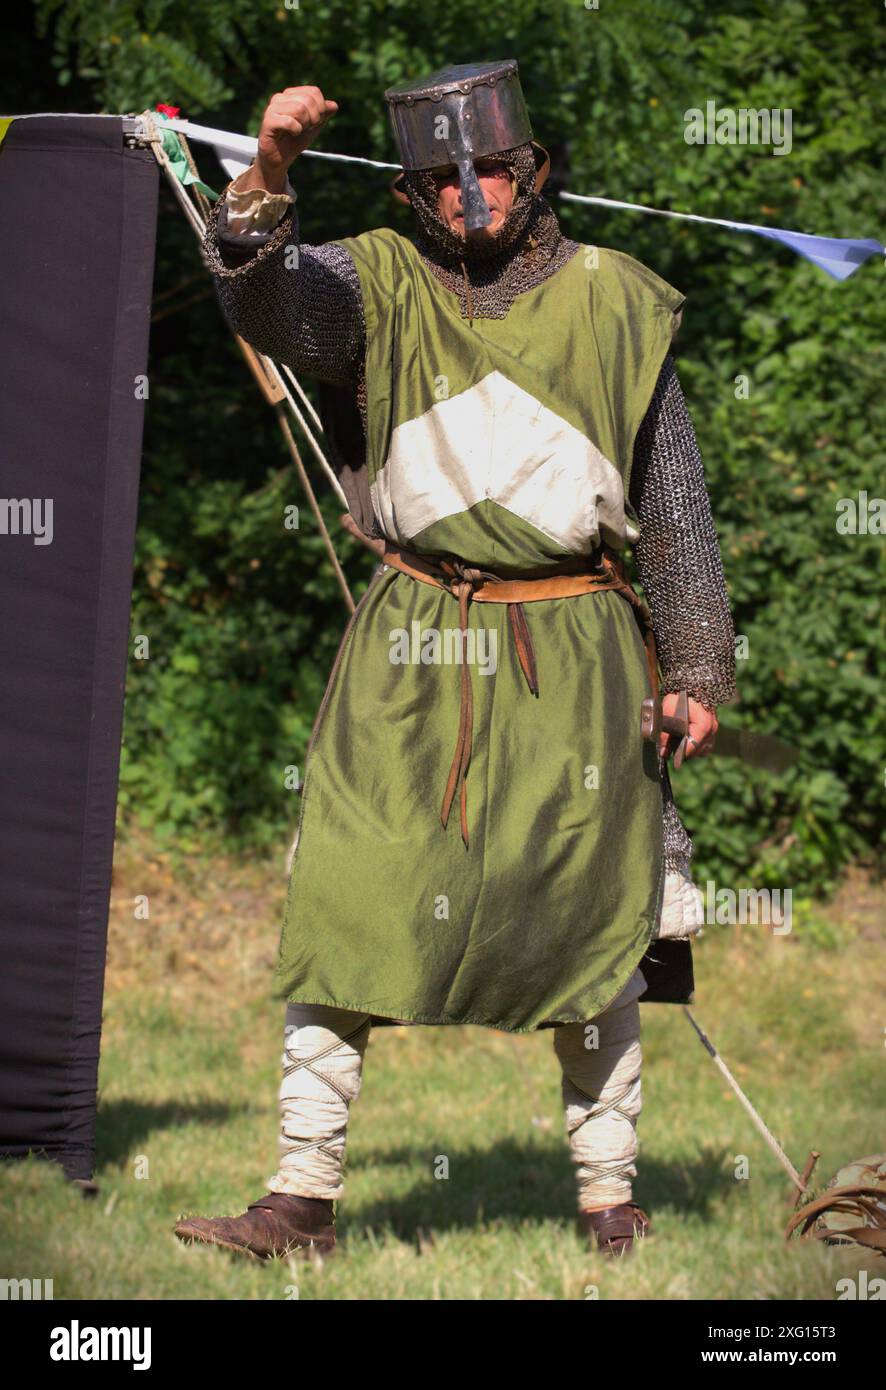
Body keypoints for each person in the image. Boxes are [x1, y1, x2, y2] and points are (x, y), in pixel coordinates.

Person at [173, 61, 735, 1262]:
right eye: (442, 177)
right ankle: (301, 1201)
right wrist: (269, 174)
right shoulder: (376, 286)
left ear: (535, 173)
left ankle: (608, 1201)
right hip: (411, 651)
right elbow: (264, 306)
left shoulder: (619, 301)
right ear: (414, 192)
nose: (471, 194)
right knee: (349, 895)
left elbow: (672, 506)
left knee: (593, 920)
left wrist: (694, 661)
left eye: (491, 169)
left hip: (577, 649)